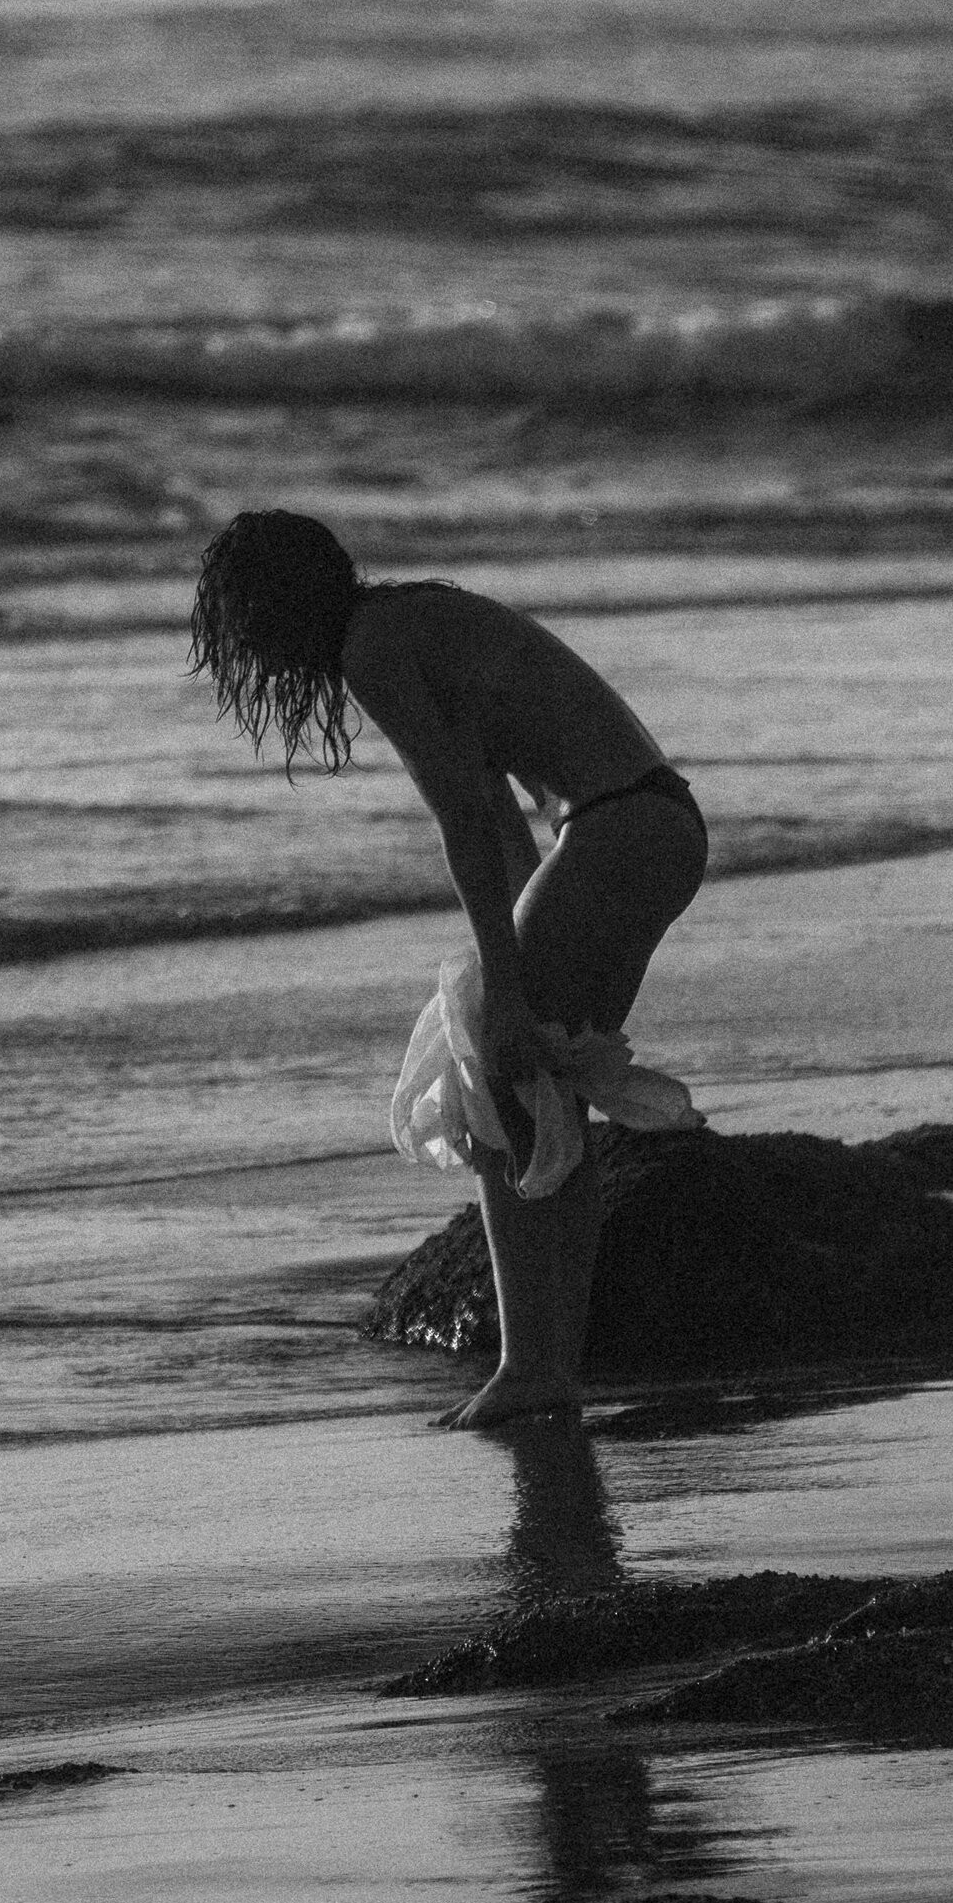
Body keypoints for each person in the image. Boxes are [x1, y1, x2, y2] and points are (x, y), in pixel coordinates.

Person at [188, 509, 707, 1424]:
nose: (252, 656)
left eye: (244, 628)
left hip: (614, 831)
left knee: (493, 1078)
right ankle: (552, 1364)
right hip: (651, 825)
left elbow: (464, 822)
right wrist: (512, 962)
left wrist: (502, 990)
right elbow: (501, 824)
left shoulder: (373, 648)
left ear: (273, 607)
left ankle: (530, 1365)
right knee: (546, 1086)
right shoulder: (409, 620)